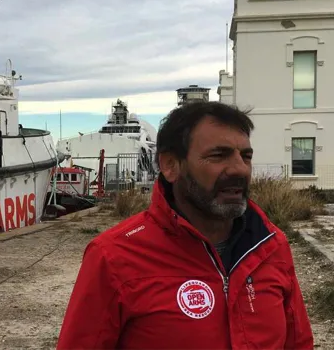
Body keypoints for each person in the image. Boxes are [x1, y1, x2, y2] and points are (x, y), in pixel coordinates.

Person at [56, 101, 314, 349]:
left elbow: (298, 343)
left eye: (245, 156)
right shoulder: (113, 257)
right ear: (170, 165)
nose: (239, 169)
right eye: (218, 155)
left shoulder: (272, 245)